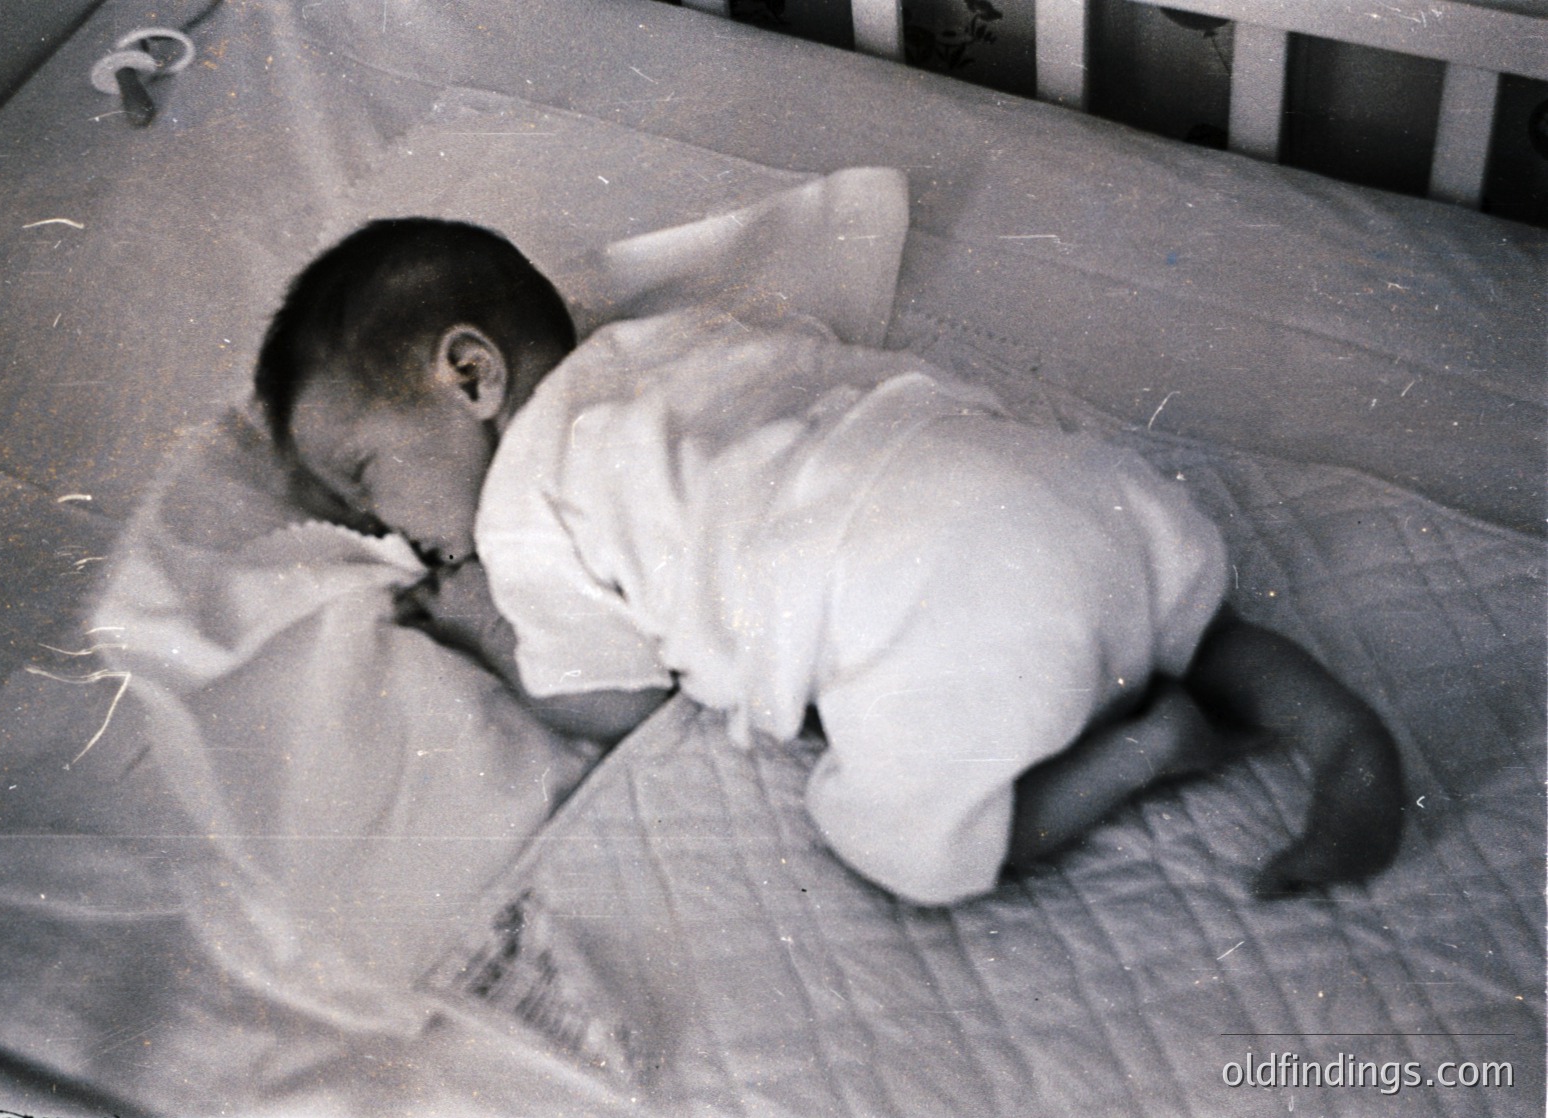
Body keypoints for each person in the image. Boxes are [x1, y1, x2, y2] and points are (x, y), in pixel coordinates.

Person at [258, 216, 1405, 907]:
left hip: (924, 587)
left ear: (472, 377)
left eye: (366, 478)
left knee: (892, 835)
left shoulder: (521, 513)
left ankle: (1139, 751)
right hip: (1052, 481)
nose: (392, 528)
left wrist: (481, 630)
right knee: (1198, 624)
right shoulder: (673, 340)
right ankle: (1342, 733)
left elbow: (617, 700)